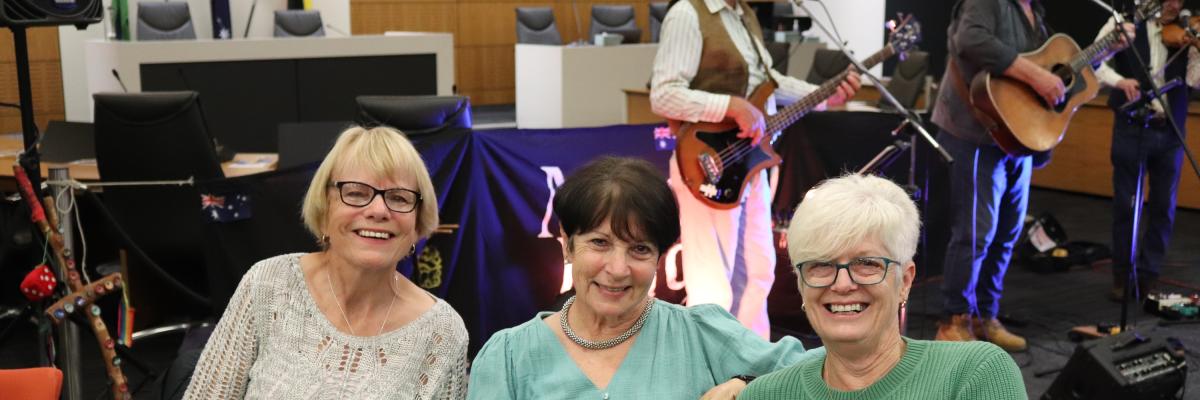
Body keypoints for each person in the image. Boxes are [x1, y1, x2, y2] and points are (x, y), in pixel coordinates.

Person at [467, 156, 806, 400]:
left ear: (661, 255)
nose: (617, 269)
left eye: (639, 249)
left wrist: (748, 386)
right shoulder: (509, 357)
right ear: (567, 244)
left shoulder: (702, 334)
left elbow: (824, 375)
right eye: (600, 243)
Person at [185, 126, 469, 399]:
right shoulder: (268, 284)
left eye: (398, 198)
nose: (379, 210)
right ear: (324, 208)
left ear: (417, 223)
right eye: (356, 193)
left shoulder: (442, 333)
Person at [650, 0, 859, 338]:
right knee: (713, 279)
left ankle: (753, 366)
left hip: (748, 165)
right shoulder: (688, 14)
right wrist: (730, 106)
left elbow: (770, 82)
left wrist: (823, 95)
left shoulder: (743, 15)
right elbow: (663, 95)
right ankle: (710, 373)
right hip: (708, 162)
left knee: (759, 269)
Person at [739, 174, 1026, 399]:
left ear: (905, 281)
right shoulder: (764, 394)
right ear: (802, 285)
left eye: (866, 263)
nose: (842, 284)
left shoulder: (976, 374)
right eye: (820, 265)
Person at [1094, 0, 1199, 301]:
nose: (1175, 4)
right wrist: (1118, 81)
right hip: (1132, 127)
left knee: (1164, 207)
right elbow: (1093, 60)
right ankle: (1122, 276)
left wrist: (1195, 47)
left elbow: (1193, 81)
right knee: (1128, 206)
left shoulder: (1185, 26)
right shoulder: (1126, 22)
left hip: (1171, 131)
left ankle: (1149, 274)